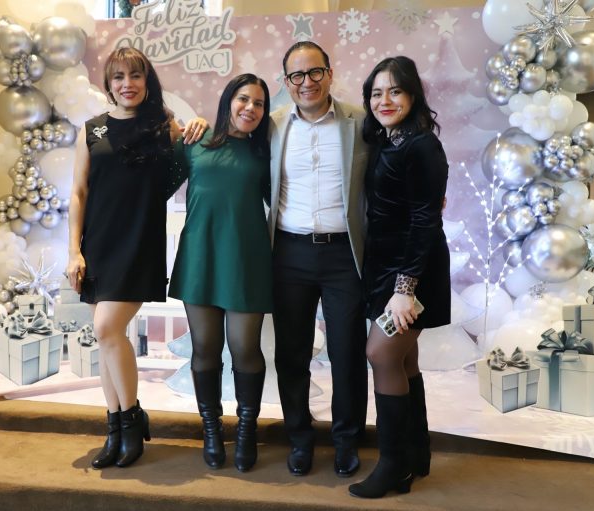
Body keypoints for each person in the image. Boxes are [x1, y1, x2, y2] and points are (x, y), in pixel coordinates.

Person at [66, 47, 206, 470]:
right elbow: (79, 193)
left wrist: (198, 126)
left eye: (135, 76)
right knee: (106, 338)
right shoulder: (92, 130)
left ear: (147, 81)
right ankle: (116, 429)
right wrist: (74, 251)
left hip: (139, 243)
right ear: (109, 83)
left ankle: (130, 419)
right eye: (119, 77)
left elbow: (193, 160)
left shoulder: (163, 127)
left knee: (106, 328)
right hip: (98, 245)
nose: (127, 84)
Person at [348, 56, 450, 499]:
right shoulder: (387, 140)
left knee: (381, 353)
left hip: (413, 271)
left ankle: (392, 465)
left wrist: (405, 290)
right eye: (376, 93)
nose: (384, 101)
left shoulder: (422, 145)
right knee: (404, 361)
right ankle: (415, 455)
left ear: (412, 95)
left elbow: (425, 220)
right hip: (383, 267)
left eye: (394, 91)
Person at [267, 41, 369, 478]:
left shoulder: (360, 121)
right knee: (292, 354)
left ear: (329, 73)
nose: (306, 82)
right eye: (297, 75)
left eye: (314, 72)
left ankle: (347, 441)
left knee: (348, 352)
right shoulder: (271, 125)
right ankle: (300, 438)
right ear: (286, 81)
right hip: (289, 252)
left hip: (344, 253)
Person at [168, 73, 272, 472]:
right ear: (229, 100)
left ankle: (246, 429)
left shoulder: (265, 153)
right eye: (244, 99)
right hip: (201, 257)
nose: (250, 108)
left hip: (246, 259)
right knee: (205, 348)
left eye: (259, 103)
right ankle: (211, 430)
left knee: (245, 348)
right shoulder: (195, 141)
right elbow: (155, 187)